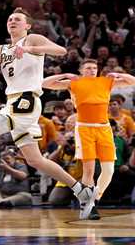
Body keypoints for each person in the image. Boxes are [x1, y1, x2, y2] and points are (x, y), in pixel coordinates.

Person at [0, 8, 98, 220]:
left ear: (27, 25)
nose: (12, 21)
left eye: (17, 19)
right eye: (10, 19)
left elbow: (61, 50)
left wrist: (31, 50)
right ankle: (81, 190)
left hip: (26, 101)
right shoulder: (3, 48)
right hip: (15, 102)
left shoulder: (31, 39)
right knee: (35, 160)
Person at [42, 58, 135, 219]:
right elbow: (44, 83)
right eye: (88, 68)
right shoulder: (74, 83)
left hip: (104, 128)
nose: (92, 70)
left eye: (94, 67)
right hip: (84, 128)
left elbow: (132, 81)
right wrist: (64, 75)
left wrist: (118, 74)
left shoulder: (105, 82)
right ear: (81, 70)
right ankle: (88, 206)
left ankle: (94, 198)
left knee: (109, 170)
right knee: (89, 170)